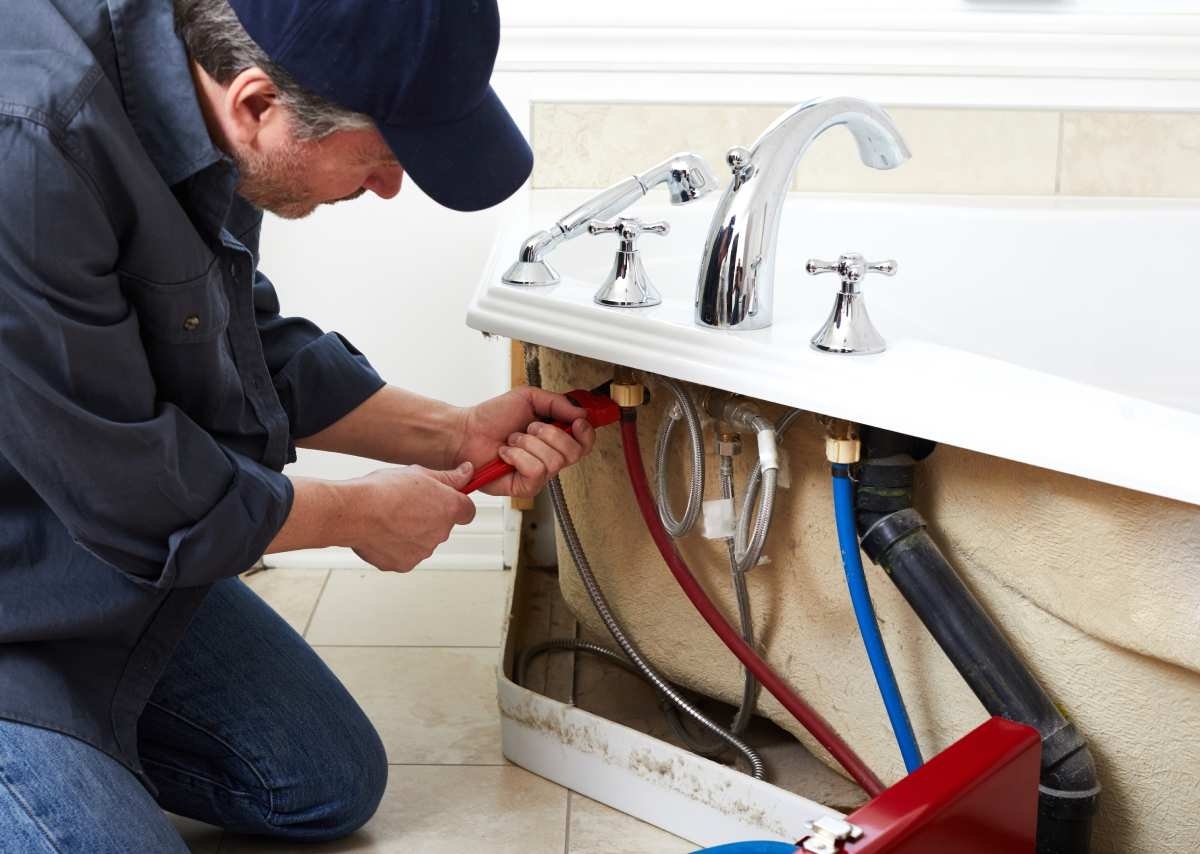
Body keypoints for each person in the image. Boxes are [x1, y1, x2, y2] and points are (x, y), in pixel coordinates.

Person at [0, 1, 593, 850]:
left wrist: (457, 431)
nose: (391, 184)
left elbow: (230, 340)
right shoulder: (29, 147)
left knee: (322, 783)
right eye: (386, 155)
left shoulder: (202, 100)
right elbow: (138, 494)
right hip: (23, 568)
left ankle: (70, 753)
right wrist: (357, 516)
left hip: (89, 545)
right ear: (257, 103)